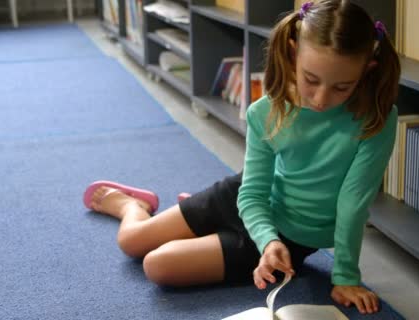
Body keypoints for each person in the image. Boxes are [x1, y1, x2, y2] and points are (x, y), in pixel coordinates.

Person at [83, 0, 399, 315]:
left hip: (289, 240)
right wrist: (266, 238)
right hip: (242, 200)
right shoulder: (266, 112)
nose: (320, 99)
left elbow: (352, 204)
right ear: (292, 53)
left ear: (366, 71)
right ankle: (131, 206)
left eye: (342, 87)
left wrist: (344, 276)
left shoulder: (377, 121)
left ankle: (199, 225)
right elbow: (252, 191)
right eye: (311, 80)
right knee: (132, 242)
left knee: (158, 265)